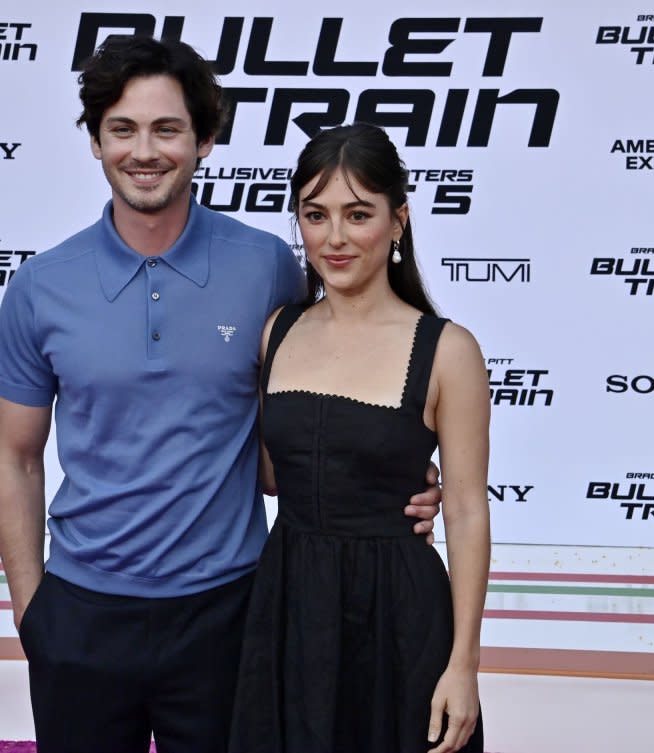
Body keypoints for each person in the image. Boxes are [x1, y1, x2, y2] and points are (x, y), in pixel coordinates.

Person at [0, 35, 442, 753]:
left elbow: (304, 417)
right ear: (96, 142)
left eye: (167, 129)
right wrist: (32, 611)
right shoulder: (41, 287)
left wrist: (385, 475)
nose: (145, 150)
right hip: (80, 614)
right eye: (123, 129)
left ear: (204, 140)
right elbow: (15, 459)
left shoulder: (265, 265)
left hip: (231, 614)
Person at [229, 123, 490, 753]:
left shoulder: (449, 350)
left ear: (398, 221)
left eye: (358, 214)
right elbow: (272, 473)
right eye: (315, 215)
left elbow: (466, 509)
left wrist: (463, 666)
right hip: (288, 604)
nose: (335, 237)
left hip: (401, 616)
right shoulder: (276, 331)